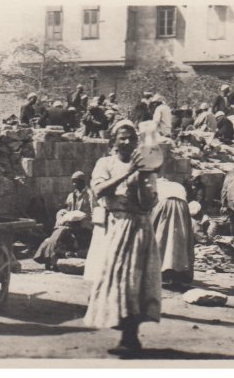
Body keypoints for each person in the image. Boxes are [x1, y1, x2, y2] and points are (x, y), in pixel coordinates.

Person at [83, 120, 161, 353]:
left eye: (131, 138)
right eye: (122, 138)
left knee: (134, 281)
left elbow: (148, 202)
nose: (127, 142)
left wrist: (142, 177)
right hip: (114, 226)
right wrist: (128, 173)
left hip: (138, 227)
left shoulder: (145, 167)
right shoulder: (105, 163)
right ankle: (124, 331)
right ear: (113, 141)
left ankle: (130, 336)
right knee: (114, 280)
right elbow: (98, 190)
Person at [151, 178, 194, 286]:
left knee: (161, 238)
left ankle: (162, 271)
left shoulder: (156, 185)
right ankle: (178, 273)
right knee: (180, 239)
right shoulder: (177, 185)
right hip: (182, 208)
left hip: (164, 205)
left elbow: (152, 204)